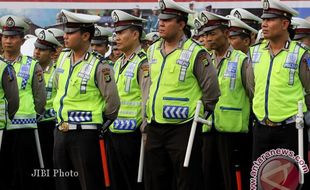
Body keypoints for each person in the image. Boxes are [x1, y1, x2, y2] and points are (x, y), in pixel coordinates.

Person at [144, 0, 220, 190]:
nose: (161, 23)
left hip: (183, 128)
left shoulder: (197, 52)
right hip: (155, 126)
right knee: (156, 178)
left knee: (187, 180)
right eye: (160, 19)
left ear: (181, 24)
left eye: (167, 20)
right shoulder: (152, 50)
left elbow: (211, 91)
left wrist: (198, 116)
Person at [52, 9, 120, 190]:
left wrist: (97, 124)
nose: (65, 36)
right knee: (63, 184)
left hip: (85, 135)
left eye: (70, 32)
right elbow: (58, 88)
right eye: (65, 31)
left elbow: (112, 102)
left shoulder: (99, 64)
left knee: (89, 183)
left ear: (85, 36)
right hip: (61, 132)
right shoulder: (63, 59)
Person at [247, 0, 310, 188]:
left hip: (289, 130)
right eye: (263, 19)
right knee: (260, 181)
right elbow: (252, 87)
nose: (264, 24)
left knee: (288, 182)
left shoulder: (301, 54)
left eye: (270, 19)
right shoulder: (254, 53)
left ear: (285, 24)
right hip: (261, 128)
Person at [197, 11, 251, 190]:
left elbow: (253, 93)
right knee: (208, 179)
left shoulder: (242, 60)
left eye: (212, 34)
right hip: (208, 128)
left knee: (232, 181)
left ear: (226, 34)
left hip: (233, 132)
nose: (208, 38)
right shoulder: (206, 60)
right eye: (205, 34)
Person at [0, 15, 46, 190]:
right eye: (5, 36)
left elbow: (40, 98)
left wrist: (35, 115)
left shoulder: (32, 65)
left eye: (12, 37)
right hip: (1, 128)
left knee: (24, 176)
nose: (8, 41)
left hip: (24, 128)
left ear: (21, 40)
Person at [107, 10, 148, 190]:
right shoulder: (118, 63)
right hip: (114, 132)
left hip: (133, 136)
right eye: (116, 33)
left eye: (121, 32)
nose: (117, 37)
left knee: (134, 182)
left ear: (135, 34)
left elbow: (146, 99)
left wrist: (145, 130)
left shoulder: (143, 63)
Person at [33, 28, 62, 190]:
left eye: (42, 50)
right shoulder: (29, 68)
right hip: (33, 124)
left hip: (51, 126)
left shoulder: (58, 72)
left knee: (50, 166)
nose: (37, 52)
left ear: (52, 53)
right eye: (36, 48)